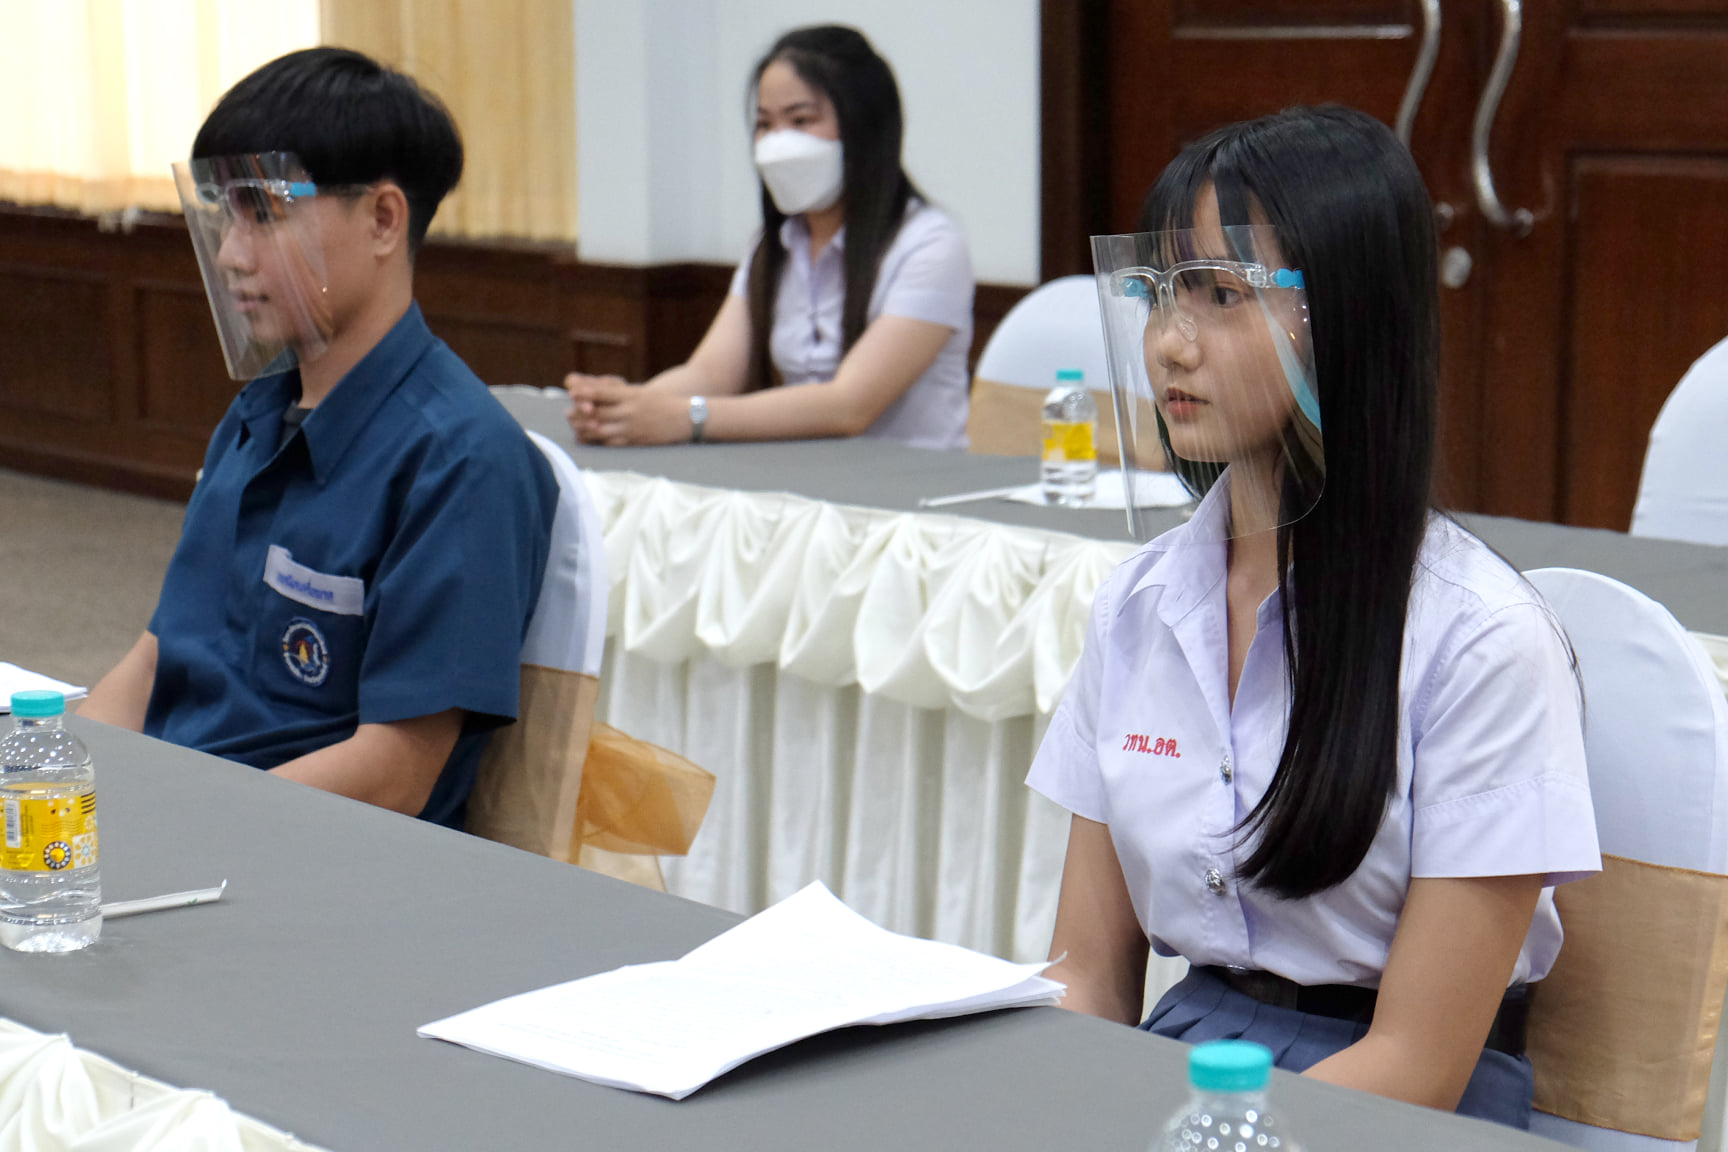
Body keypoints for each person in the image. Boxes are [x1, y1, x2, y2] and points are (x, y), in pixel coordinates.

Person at [1028, 106, 1599, 1128]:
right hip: (1190, 1066)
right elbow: (1087, 978)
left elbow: (1417, 1064)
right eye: (1157, 293)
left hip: (1401, 1107)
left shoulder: (1480, 641)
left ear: (1344, 318)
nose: (1170, 341)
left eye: (1219, 294)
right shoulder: (1137, 605)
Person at [79, 48, 558, 829]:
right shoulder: (257, 416)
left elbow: (393, 774)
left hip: (306, 860)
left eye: (263, 214)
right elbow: (153, 662)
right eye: (223, 215)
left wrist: (170, 822)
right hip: (183, 825)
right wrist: (55, 795)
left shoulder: (461, 460)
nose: (232, 253)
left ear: (381, 220)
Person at [566, 25, 974, 450]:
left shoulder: (930, 247)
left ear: (863, 127)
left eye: (801, 120)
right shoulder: (774, 244)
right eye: (765, 124)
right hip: (809, 487)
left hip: (911, 496)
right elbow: (712, 374)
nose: (779, 143)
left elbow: (849, 405)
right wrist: (624, 407)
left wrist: (686, 417)